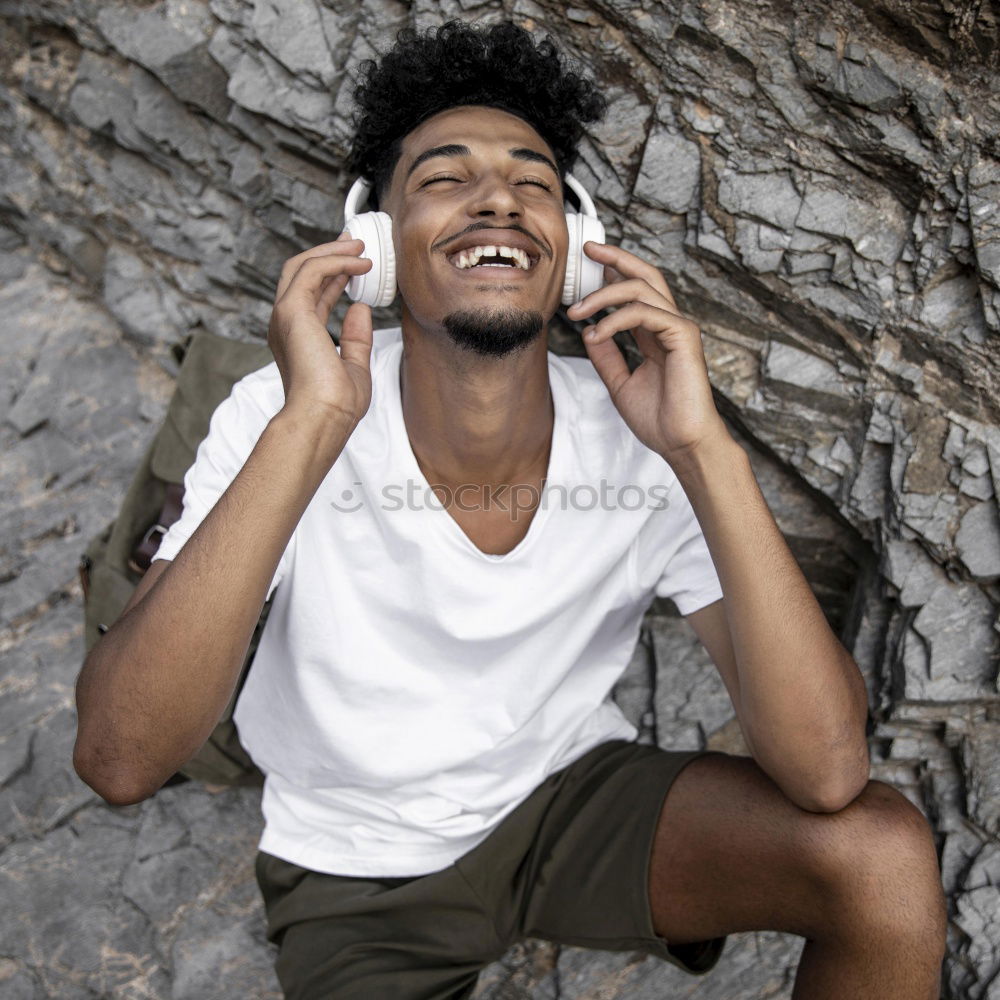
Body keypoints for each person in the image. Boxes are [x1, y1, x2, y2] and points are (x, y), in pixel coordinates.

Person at [74, 20, 947, 1000]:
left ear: (576, 251)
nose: (498, 197)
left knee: (879, 858)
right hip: (356, 864)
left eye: (533, 182)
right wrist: (311, 421)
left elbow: (828, 776)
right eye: (445, 177)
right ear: (375, 244)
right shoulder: (281, 412)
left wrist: (703, 451)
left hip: (567, 801)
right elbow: (120, 755)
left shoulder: (643, 442)